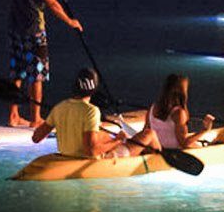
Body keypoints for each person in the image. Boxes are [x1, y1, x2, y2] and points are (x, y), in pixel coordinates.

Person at [8, 0, 83, 128]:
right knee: (37, 74)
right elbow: (53, 4)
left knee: (18, 72)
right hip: (34, 31)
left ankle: (13, 116)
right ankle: (36, 119)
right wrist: (70, 21)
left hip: (15, 29)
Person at [32, 68, 162, 158]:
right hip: (96, 159)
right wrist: (118, 141)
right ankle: (160, 160)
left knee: (103, 132)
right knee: (149, 134)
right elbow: (92, 151)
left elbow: (36, 138)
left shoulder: (59, 107)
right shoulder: (91, 111)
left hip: (66, 155)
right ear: (94, 89)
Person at [145, 74, 214, 149]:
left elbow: (146, 130)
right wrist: (204, 130)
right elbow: (183, 143)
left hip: (158, 147)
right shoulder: (178, 113)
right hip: (174, 151)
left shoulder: (153, 107)